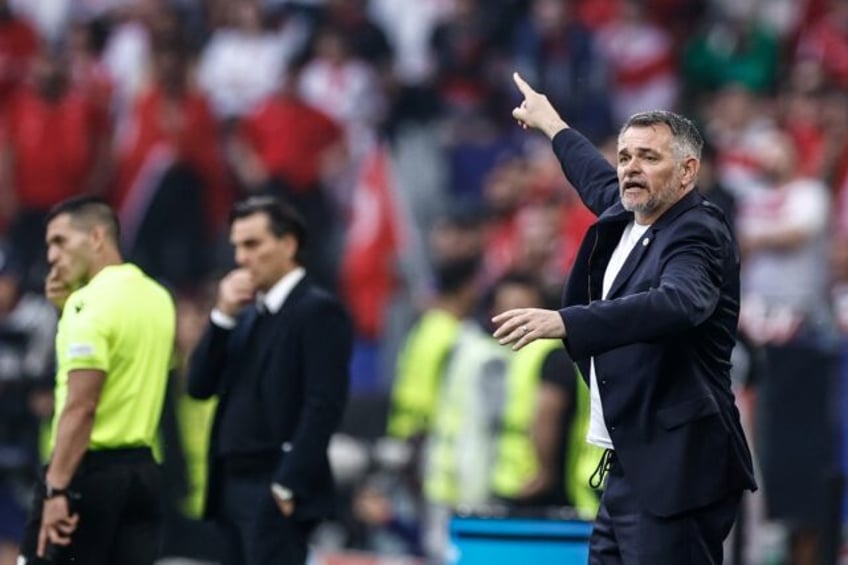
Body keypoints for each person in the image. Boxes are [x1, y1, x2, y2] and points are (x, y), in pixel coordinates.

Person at [493, 73, 756, 563]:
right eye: (625, 157)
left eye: (649, 157)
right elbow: (593, 175)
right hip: (633, 463)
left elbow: (679, 302)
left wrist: (569, 321)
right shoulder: (632, 212)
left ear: (687, 172)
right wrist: (552, 124)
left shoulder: (697, 232)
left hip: (678, 472)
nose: (631, 169)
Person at [187, 195, 352, 565]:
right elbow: (199, 387)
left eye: (252, 244)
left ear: (289, 244)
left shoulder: (317, 310)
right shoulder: (246, 315)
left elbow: (324, 403)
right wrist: (221, 318)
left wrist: (287, 484)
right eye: (236, 246)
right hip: (230, 484)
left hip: (273, 484)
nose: (241, 258)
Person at [18, 196, 177, 564]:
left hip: (84, 475)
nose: (52, 256)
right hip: (144, 473)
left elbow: (82, 406)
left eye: (60, 241)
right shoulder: (158, 298)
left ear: (96, 237)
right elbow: (128, 371)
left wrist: (56, 490)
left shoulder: (87, 306)